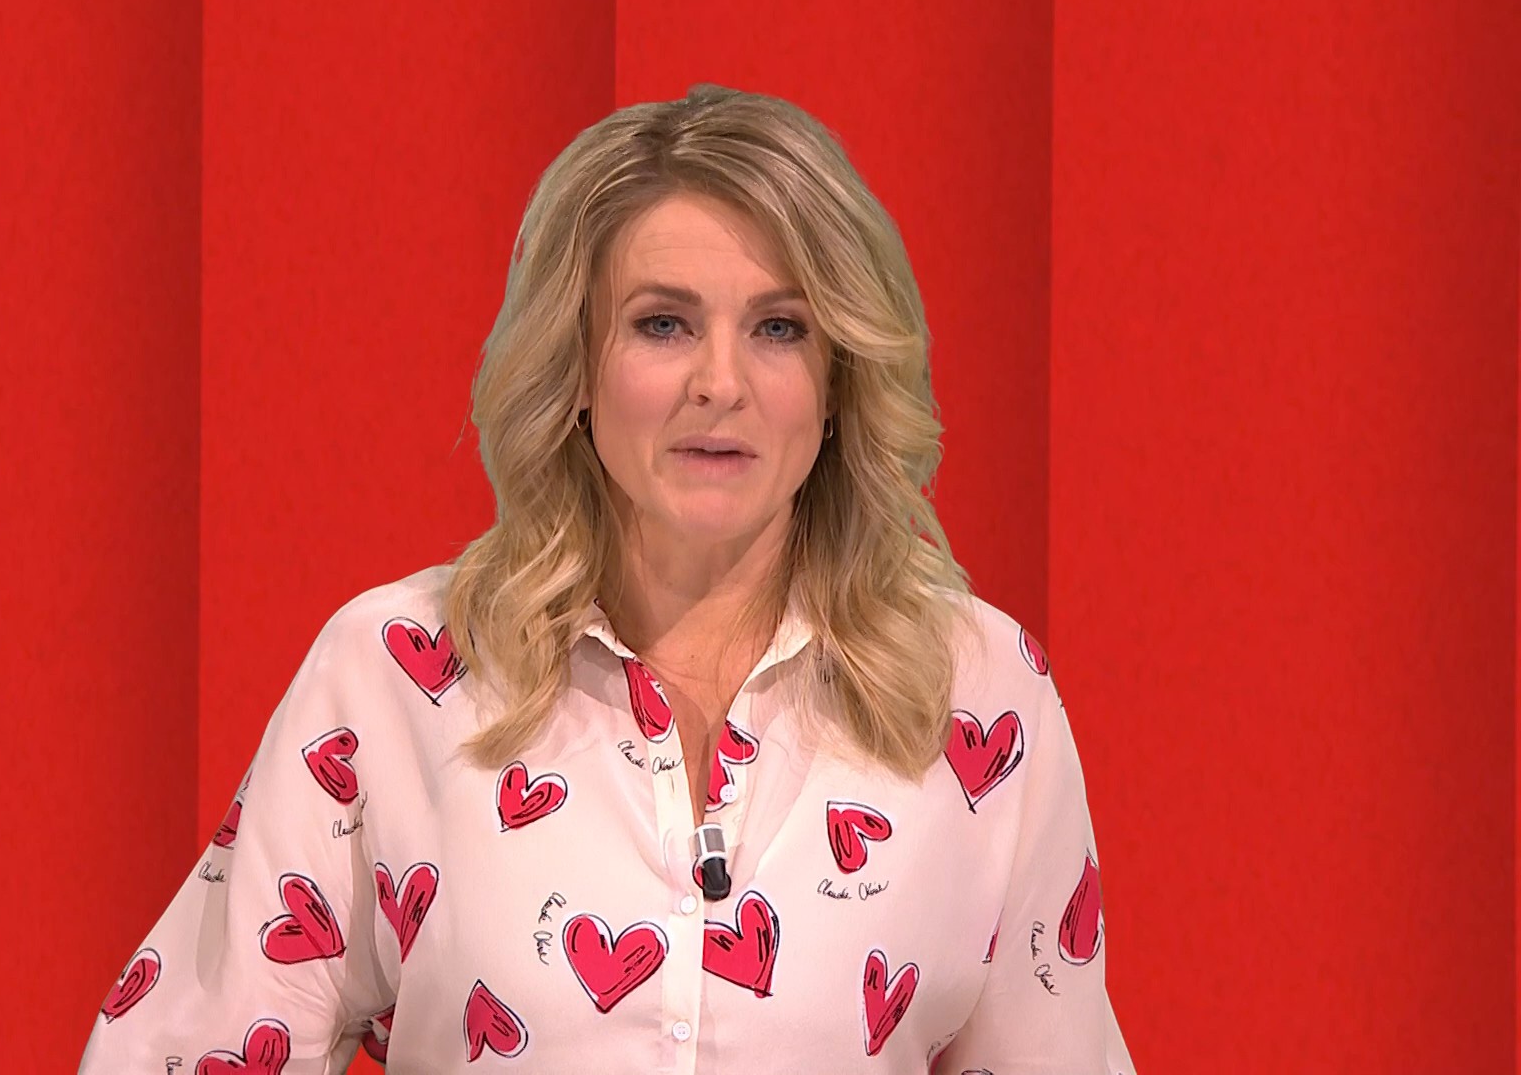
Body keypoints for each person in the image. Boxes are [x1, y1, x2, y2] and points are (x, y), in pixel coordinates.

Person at [76, 83, 1136, 1074]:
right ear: (578, 367)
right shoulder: (395, 674)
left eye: (779, 328)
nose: (720, 383)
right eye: (662, 324)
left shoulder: (982, 690)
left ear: (837, 381)